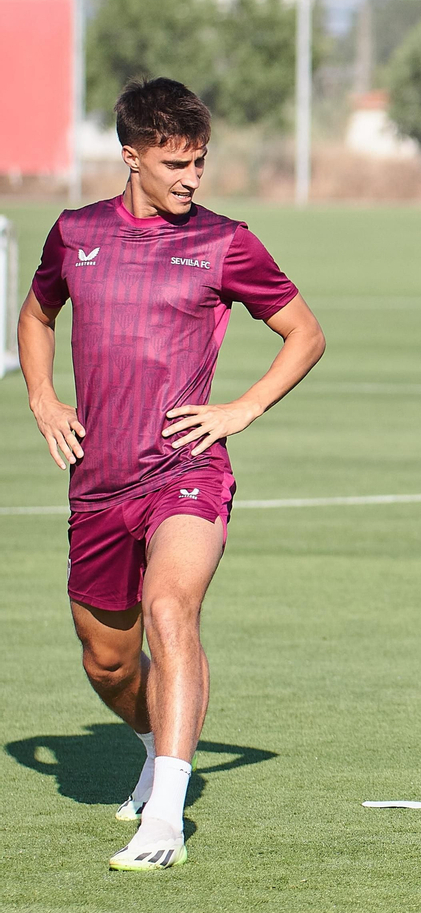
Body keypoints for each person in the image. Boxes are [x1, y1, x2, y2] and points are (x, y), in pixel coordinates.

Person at [17, 77, 325, 871]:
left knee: (170, 609)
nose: (192, 177)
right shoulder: (75, 232)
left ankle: (164, 819)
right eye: (176, 162)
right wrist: (45, 398)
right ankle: (158, 749)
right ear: (131, 157)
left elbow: (304, 333)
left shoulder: (227, 241)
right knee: (107, 660)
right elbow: (37, 314)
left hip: (187, 470)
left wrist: (240, 410)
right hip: (96, 481)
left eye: (200, 161)